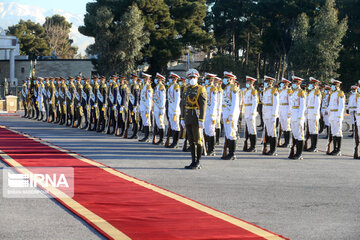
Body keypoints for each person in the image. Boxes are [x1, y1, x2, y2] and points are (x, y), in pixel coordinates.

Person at [181, 69, 207, 169]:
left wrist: (201, 119)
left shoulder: (201, 89)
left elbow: (203, 105)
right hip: (188, 117)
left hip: (196, 117)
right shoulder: (186, 89)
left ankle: (198, 162)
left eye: (194, 77)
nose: (192, 79)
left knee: (198, 140)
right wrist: (182, 117)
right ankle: (193, 160)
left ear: (197, 78)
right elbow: (183, 104)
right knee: (190, 140)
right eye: (190, 78)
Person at [221, 71, 240, 160]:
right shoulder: (226, 88)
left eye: (226, 78)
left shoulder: (233, 88)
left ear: (231, 79)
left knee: (232, 134)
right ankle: (229, 152)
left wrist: (231, 115)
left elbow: (235, 103)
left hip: (230, 114)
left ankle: (232, 154)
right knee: (228, 134)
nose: (224, 79)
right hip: (225, 113)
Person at [326, 79, 345, 156]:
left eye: (333, 85)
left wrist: (339, 116)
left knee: (338, 132)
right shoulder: (333, 94)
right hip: (332, 114)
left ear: (337, 86)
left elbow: (341, 106)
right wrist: (328, 111)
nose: (332, 86)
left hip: (337, 114)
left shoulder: (340, 93)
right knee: (333, 132)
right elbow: (330, 105)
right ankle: (334, 148)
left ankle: (338, 149)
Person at [288, 76, 306, 160]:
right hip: (293, 116)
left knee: (300, 135)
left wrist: (300, 117)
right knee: (295, 135)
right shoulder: (294, 92)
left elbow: (302, 106)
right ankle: (295, 152)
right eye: (293, 82)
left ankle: (299, 154)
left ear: (298, 83)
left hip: (298, 116)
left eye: (295, 83)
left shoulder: (301, 92)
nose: (293, 84)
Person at [262, 76, 279, 156]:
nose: (265, 83)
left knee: (273, 132)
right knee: (269, 132)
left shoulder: (274, 91)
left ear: (271, 82)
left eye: (266, 81)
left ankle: (273, 150)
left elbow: (275, 104)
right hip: (266, 114)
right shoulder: (265, 91)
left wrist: (274, 115)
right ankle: (270, 149)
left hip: (271, 114)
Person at [305, 77, 322, 152]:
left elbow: (317, 104)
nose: (310, 85)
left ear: (315, 84)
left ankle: (314, 146)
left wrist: (315, 114)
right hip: (309, 113)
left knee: (314, 130)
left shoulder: (317, 92)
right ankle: (311, 145)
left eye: (312, 84)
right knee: (311, 130)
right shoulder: (310, 92)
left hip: (314, 113)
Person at [204, 73, 218, 155]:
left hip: (211, 113)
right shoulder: (206, 88)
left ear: (211, 80)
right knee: (206, 131)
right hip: (206, 113)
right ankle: (207, 148)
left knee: (211, 131)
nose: (206, 80)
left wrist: (213, 115)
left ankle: (212, 150)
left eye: (207, 79)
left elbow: (214, 103)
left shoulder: (213, 89)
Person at [242, 76, 258, 152]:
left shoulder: (253, 91)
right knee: (249, 129)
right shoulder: (246, 91)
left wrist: (252, 113)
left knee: (252, 129)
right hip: (247, 111)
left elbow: (255, 103)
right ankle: (250, 145)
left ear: (251, 83)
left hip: (251, 111)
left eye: (248, 82)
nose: (247, 83)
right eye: (246, 81)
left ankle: (253, 146)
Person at [167, 72, 181, 148]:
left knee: (176, 126)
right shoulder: (170, 86)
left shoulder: (176, 87)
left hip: (174, 109)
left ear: (175, 79)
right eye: (171, 78)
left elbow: (177, 99)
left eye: (172, 78)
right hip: (170, 108)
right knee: (172, 126)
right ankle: (173, 141)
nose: (171, 79)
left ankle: (176, 143)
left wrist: (175, 110)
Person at [278, 77, 292, 148]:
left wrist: (289, 112)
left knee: (287, 126)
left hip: (286, 109)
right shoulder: (281, 91)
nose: (282, 84)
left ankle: (287, 142)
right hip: (281, 109)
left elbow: (290, 102)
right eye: (282, 83)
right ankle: (285, 142)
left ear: (287, 84)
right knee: (283, 126)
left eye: (284, 83)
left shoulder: (289, 91)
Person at [138, 73, 153, 142]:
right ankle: (145, 136)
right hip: (143, 106)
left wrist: (148, 108)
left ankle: (147, 137)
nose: (144, 80)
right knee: (144, 121)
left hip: (146, 107)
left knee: (147, 122)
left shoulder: (148, 87)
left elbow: (149, 98)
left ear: (148, 79)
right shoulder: (144, 86)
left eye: (145, 79)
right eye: (144, 78)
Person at [153, 73, 167, 145]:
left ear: (161, 79)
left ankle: (161, 140)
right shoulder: (157, 87)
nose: (156, 80)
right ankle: (160, 139)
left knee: (161, 123)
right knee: (158, 123)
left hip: (160, 108)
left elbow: (163, 98)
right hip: (156, 107)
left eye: (158, 78)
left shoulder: (161, 87)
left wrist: (161, 108)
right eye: (157, 78)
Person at [127, 74, 140, 139]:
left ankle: (136, 134)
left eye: (133, 78)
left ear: (135, 79)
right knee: (133, 120)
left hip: (135, 106)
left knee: (135, 120)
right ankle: (134, 133)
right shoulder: (132, 86)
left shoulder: (136, 86)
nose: (132, 80)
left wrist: (135, 106)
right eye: (131, 78)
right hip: (131, 105)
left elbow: (136, 97)